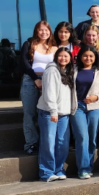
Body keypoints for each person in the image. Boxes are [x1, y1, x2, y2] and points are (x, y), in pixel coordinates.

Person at [36, 47, 75, 182]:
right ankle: (46, 172)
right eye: (60, 56)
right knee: (48, 142)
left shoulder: (68, 71)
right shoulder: (52, 70)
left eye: (66, 56)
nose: (63, 58)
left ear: (70, 58)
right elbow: (49, 93)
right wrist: (53, 111)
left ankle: (59, 169)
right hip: (49, 112)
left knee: (62, 143)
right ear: (56, 57)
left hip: (64, 113)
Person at [19, 21, 57, 155]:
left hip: (49, 81)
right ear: (36, 31)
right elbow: (24, 63)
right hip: (30, 80)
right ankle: (31, 143)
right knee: (29, 113)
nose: (44, 32)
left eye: (46, 30)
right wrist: (36, 79)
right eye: (41, 30)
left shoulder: (54, 47)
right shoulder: (29, 44)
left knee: (47, 112)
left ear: (50, 32)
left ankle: (47, 142)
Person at [70, 46, 99, 179]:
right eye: (85, 55)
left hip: (94, 107)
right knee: (82, 137)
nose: (88, 58)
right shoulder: (73, 70)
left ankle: (89, 166)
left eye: (91, 56)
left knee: (91, 138)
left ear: (95, 57)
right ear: (80, 57)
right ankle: (83, 169)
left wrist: (96, 97)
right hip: (77, 106)